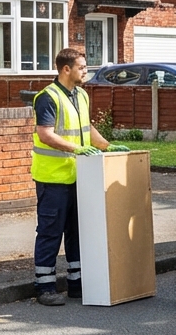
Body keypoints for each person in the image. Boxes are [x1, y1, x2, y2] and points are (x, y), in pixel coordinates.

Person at [30, 47, 125, 306]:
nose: (86, 71)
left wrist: (106, 146)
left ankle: (77, 283)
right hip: (53, 178)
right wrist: (77, 149)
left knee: (78, 232)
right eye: (82, 67)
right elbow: (45, 134)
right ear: (66, 69)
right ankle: (45, 286)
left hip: (80, 176)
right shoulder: (47, 97)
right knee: (51, 232)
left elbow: (87, 126)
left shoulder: (80, 95)